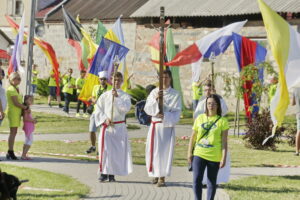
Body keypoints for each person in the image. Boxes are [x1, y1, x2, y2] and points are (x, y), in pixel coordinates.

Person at [144, 70, 182, 187]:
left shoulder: (175, 94)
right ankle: (155, 174)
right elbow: (147, 108)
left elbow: (177, 113)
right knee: (153, 150)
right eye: (162, 77)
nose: (164, 79)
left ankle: (162, 177)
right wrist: (156, 100)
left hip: (166, 126)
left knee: (164, 152)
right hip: (155, 126)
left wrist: (165, 115)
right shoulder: (154, 92)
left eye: (166, 77)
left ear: (170, 78)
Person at [188, 94, 229, 200]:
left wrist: (223, 158)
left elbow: (224, 142)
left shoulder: (222, 121)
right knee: (197, 179)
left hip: (214, 155)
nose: (211, 106)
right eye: (209, 103)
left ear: (218, 106)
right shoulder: (200, 118)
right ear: (205, 105)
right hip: (199, 153)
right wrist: (189, 153)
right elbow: (193, 137)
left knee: (211, 181)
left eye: (214, 104)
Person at [94, 71, 132, 182]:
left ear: (122, 81)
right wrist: (105, 120)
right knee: (105, 150)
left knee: (116, 152)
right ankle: (104, 172)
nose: (117, 82)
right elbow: (98, 110)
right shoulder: (105, 95)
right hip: (107, 126)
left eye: (119, 80)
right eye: (115, 80)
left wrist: (117, 98)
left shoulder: (125, 96)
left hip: (119, 127)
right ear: (111, 80)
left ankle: (112, 174)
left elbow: (125, 109)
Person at [194, 81, 230, 186]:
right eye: (205, 90)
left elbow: (224, 111)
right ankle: (204, 182)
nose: (207, 92)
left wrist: (216, 99)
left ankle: (215, 181)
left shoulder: (219, 100)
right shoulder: (202, 102)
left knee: (216, 161)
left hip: (216, 134)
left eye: (209, 89)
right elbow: (196, 116)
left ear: (213, 89)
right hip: (204, 136)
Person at [86, 71, 112, 154]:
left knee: (103, 131)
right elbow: (92, 97)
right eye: (101, 79)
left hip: (105, 113)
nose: (103, 81)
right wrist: (93, 100)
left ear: (106, 80)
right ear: (99, 80)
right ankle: (93, 146)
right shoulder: (96, 87)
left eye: (104, 79)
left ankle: (102, 148)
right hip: (96, 111)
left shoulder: (110, 88)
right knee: (91, 130)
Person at [6, 72, 28, 160]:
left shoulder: (17, 88)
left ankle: (10, 151)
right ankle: (10, 151)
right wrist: (25, 107)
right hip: (13, 112)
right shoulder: (11, 89)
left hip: (17, 112)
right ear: (12, 79)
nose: (19, 80)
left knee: (14, 132)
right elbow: (15, 103)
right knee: (13, 132)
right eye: (17, 79)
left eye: (20, 79)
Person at [21, 95, 37, 160]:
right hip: (28, 126)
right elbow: (25, 119)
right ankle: (23, 155)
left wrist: (33, 119)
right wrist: (33, 120)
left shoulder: (27, 108)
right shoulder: (26, 109)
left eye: (32, 99)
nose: (32, 101)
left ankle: (23, 155)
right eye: (30, 99)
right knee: (30, 141)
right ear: (25, 100)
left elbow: (28, 117)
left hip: (29, 126)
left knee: (27, 140)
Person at [292, 87, 300, 156]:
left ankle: (297, 151)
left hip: (298, 112)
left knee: (299, 131)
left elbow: (293, 103)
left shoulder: (295, 89)